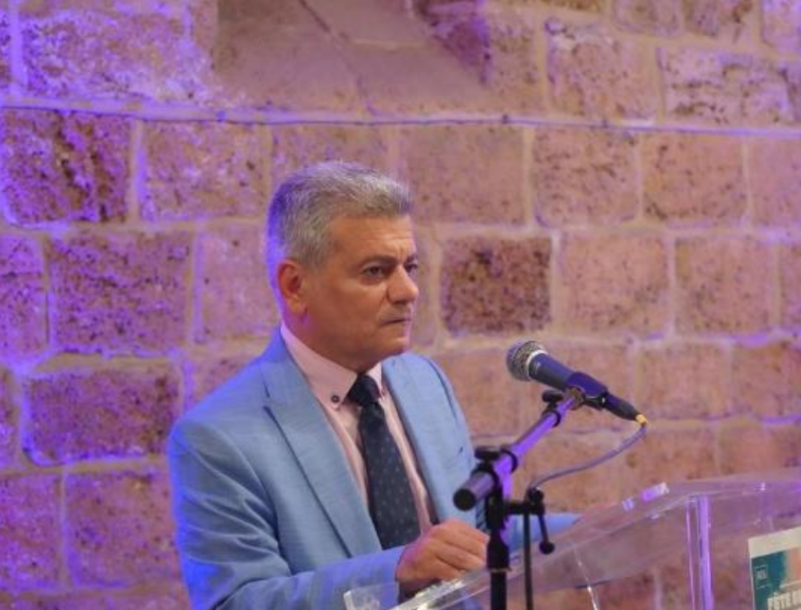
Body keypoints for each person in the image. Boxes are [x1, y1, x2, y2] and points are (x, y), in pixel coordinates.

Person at [168, 162, 569, 610]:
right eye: (376, 271)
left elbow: (471, 533)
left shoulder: (425, 382)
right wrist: (394, 573)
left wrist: (600, 532)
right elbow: (236, 603)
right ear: (295, 285)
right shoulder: (217, 438)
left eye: (410, 266)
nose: (408, 291)